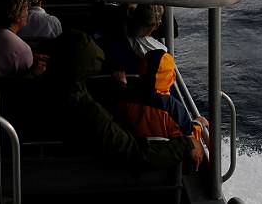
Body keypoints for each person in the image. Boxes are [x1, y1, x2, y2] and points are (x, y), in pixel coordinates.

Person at [43, 31, 202, 170]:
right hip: (101, 172)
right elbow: (134, 154)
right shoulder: (86, 110)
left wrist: (120, 87)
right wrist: (195, 131)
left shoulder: (39, 92)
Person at [115, 49, 209, 145]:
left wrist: (120, 84)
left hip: (133, 150)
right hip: (164, 156)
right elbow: (189, 142)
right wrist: (199, 124)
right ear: (171, 77)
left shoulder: (126, 95)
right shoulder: (172, 107)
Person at [0, 0, 48, 78]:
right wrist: (34, 73)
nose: (28, 13)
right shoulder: (23, 51)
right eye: (26, 9)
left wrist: (31, 56)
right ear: (17, 17)